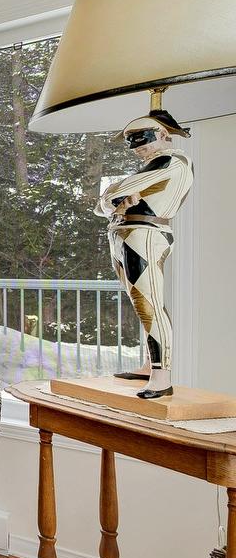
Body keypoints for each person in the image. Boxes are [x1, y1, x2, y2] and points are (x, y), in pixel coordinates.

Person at [96, 106, 193, 399]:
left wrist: (114, 194)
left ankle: (162, 376)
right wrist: (113, 199)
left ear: (163, 134)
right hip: (128, 234)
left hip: (145, 234)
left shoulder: (172, 161)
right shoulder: (157, 165)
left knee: (149, 303)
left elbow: (112, 195)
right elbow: (104, 206)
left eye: (142, 139)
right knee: (142, 304)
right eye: (132, 141)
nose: (136, 148)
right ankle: (151, 366)